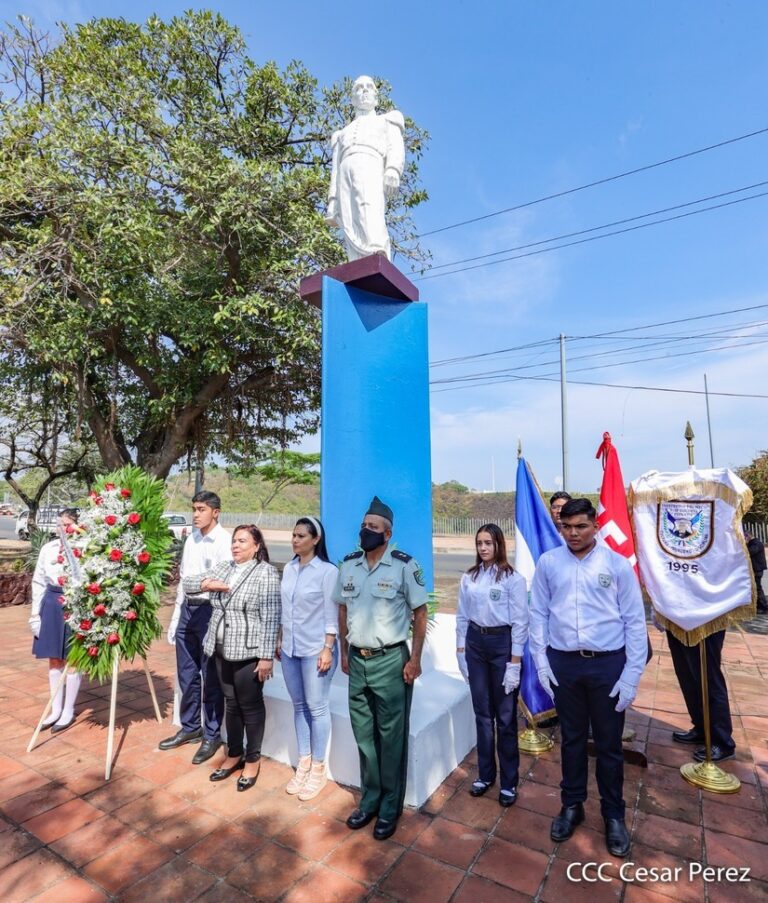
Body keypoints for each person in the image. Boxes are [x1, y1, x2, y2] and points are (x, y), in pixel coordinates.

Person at [530, 498, 647, 859]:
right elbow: (538, 614)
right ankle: (572, 805)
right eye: (566, 527)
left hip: (607, 665)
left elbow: (634, 622)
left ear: (595, 526)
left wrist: (631, 674)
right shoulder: (549, 563)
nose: (573, 533)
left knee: (610, 746)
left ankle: (613, 815)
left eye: (580, 526)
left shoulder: (616, 565)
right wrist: (542, 662)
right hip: (565, 664)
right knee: (572, 740)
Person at [335, 495, 427, 840]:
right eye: (363, 526)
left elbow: (420, 614)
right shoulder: (349, 565)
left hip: (391, 661)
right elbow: (342, 608)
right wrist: (345, 651)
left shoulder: (404, 566)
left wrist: (414, 659)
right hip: (357, 660)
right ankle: (370, 800)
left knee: (391, 738)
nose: (365, 531)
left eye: (372, 527)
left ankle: (390, 806)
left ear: (387, 534)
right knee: (364, 737)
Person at [184, 524, 281, 791]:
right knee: (230, 703)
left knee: (250, 706)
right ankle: (234, 753)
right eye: (234, 541)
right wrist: (208, 583)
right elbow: (188, 583)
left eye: (242, 541)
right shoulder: (225, 567)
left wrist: (266, 656)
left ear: (256, 545)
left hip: (249, 652)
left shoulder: (266, 573)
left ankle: (252, 759)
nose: (236, 545)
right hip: (220, 648)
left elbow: (271, 618)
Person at [455, 524, 528, 807]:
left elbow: (521, 622)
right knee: (482, 715)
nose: (483, 548)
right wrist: (461, 650)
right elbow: (462, 616)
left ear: (499, 544)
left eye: (488, 542)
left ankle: (509, 782)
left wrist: (515, 663)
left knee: (506, 718)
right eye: (479, 543)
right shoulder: (470, 577)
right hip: (476, 644)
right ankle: (486, 775)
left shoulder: (513, 579)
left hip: (502, 645)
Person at [159, 491, 230, 764]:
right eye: (194, 508)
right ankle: (190, 727)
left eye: (201, 509)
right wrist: (176, 616)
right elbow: (185, 580)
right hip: (188, 609)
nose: (196, 513)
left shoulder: (224, 541)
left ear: (216, 512)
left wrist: (201, 583)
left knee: (210, 675)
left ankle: (212, 734)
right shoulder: (191, 539)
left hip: (211, 610)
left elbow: (220, 580)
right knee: (187, 674)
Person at [279, 516, 338, 800]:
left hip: (316, 650)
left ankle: (318, 768)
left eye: (302, 536)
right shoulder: (289, 569)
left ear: (316, 540)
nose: (295, 540)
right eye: (294, 535)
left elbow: (332, 613)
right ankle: (303, 762)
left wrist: (328, 646)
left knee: (317, 707)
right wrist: (281, 639)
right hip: (290, 649)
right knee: (299, 706)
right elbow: (284, 610)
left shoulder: (327, 571)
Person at [326, 75, 405, 261]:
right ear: (352, 98)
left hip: (370, 163)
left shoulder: (387, 120)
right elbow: (335, 170)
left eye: (369, 87)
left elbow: (395, 145)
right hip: (346, 170)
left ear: (376, 97)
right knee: (349, 214)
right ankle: (355, 259)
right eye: (359, 88)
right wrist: (332, 200)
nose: (364, 91)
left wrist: (393, 169)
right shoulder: (341, 133)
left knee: (368, 205)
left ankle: (376, 249)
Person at [29, 508, 82, 733]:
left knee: (73, 658)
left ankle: (68, 710)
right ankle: (55, 709)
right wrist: (35, 615)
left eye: (67, 524)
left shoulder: (85, 548)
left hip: (75, 603)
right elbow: (39, 581)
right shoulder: (48, 548)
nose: (62, 528)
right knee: (53, 657)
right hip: (51, 603)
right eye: (60, 523)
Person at [667, 628, 736, 762]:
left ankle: (722, 741)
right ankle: (702, 728)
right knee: (686, 674)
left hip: (706, 620)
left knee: (708, 678)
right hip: (677, 617)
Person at [745, 530, 767, 613]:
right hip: (755, 568)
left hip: (757, 569)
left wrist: (746, 544)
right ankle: (758, 605)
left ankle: (763, 606)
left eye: (745, 536)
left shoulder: (756, 543)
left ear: (749, 536)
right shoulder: (753, 543)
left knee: (757, 588)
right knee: (755, 587)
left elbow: (750, 552)